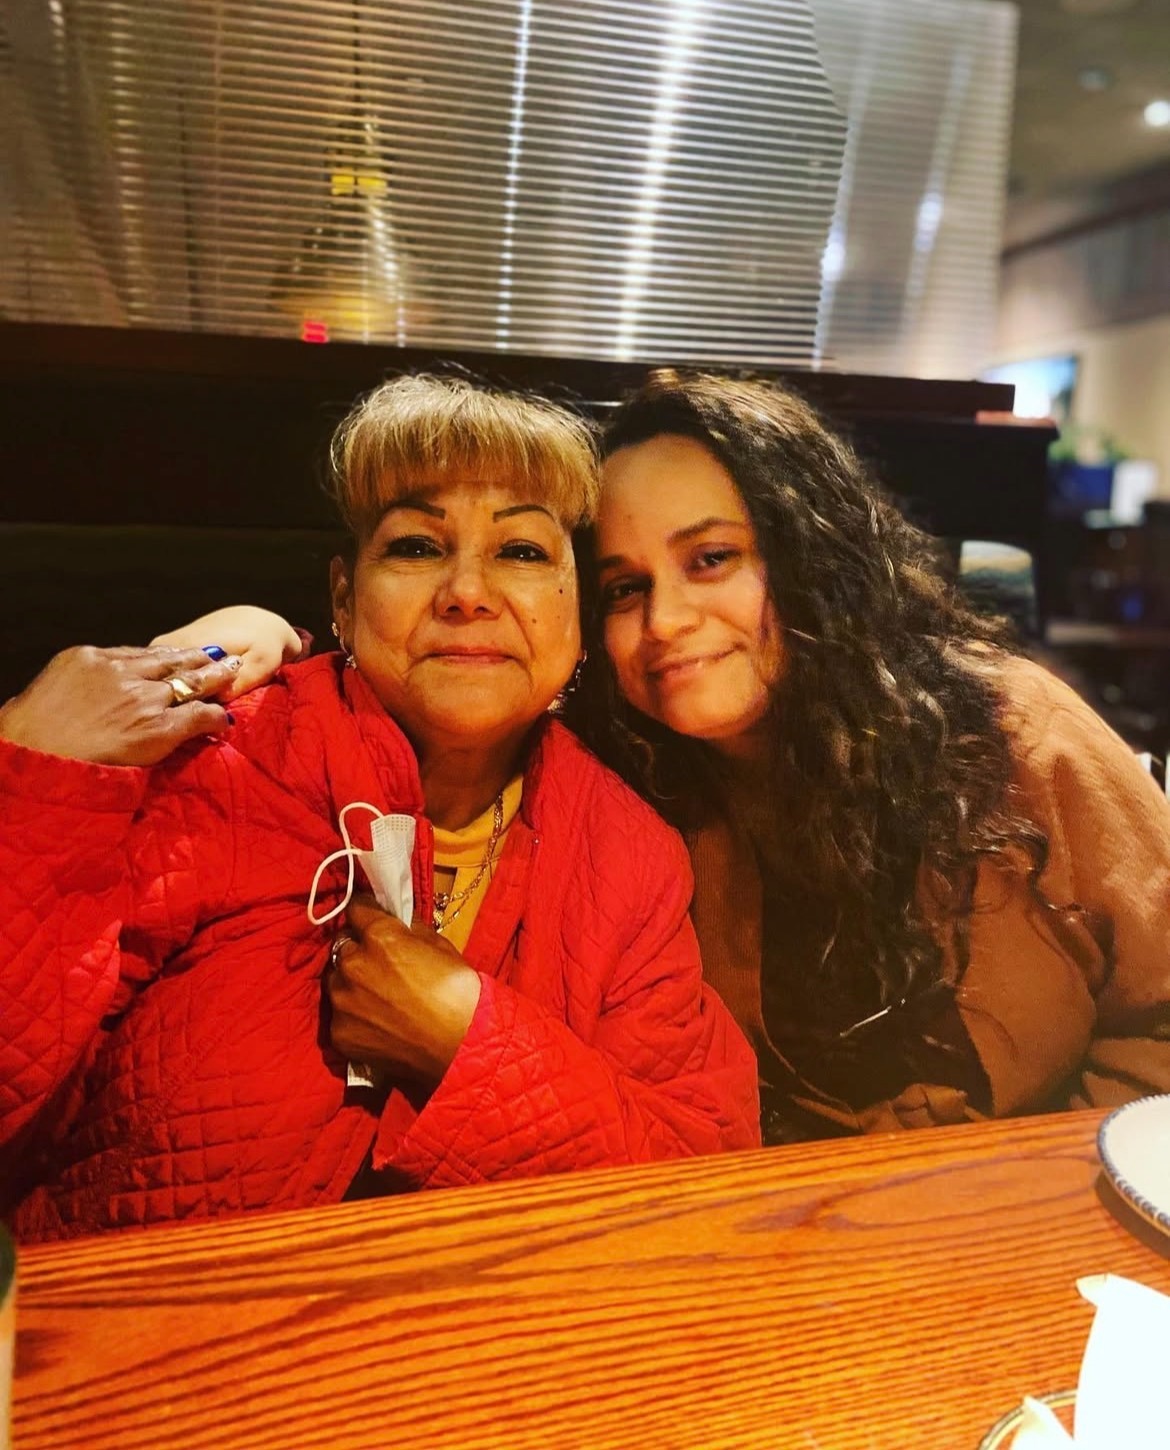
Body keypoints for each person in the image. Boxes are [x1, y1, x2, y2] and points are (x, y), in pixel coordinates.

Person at [186, 371, 1170, 1145]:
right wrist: (256, 634)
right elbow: (430, 663)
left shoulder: (1008, 734)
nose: (665, 621)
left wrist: (1045, 1195)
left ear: (810, 556)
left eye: (710, 559)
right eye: (624, 587)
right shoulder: (631, 787)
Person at [0, 375, 760, 1242]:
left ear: (578, 616)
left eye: (520, 551)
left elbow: (703, 1182)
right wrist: (30, 778)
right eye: (416, 547)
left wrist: (466, 1042)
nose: (467, 592)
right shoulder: (218, 764)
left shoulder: (627, 850)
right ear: (342, 599)